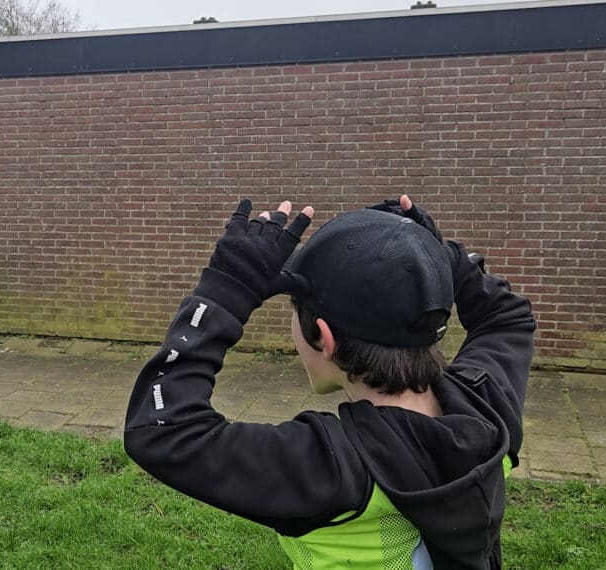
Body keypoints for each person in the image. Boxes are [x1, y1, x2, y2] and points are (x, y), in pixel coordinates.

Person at [123, 196, 536, 569]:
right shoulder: (487, 406)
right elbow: (506, 317)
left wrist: (224, 290)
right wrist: (433, 257)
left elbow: (162, 430)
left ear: (324, 337)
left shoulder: (332, 469)